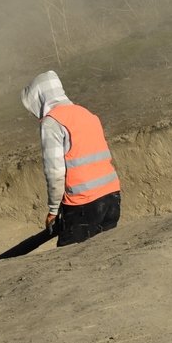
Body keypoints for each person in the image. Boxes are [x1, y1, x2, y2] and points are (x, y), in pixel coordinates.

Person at [20, 70, 121, 246]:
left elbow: (55, 172)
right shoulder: (85, 113)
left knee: (71, 260)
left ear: (40, 97)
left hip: (84, 204)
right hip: (112, 196)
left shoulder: (52, 123)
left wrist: (53, 211)